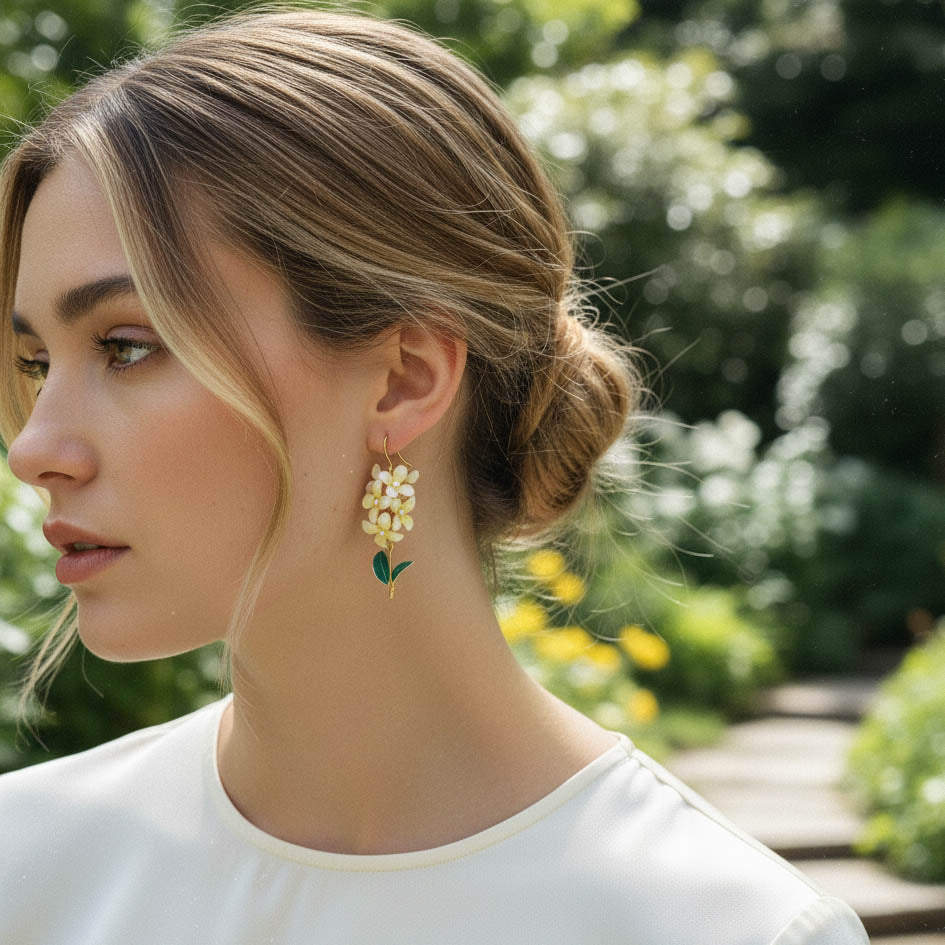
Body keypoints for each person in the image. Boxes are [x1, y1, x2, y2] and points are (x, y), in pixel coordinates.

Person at [0, 5, 869, 943]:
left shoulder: (728, 927)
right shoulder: (28, 866)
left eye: (127, 346)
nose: (32, 449)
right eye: (37, 362)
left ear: (404, 379)